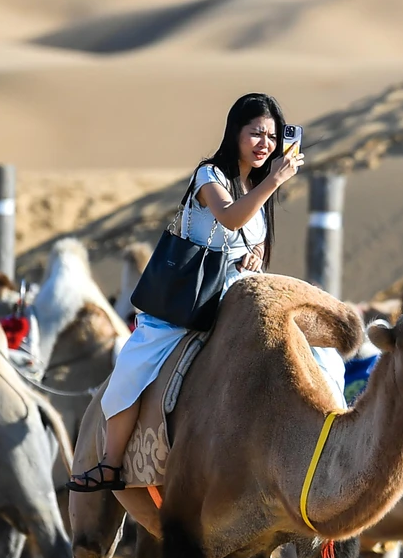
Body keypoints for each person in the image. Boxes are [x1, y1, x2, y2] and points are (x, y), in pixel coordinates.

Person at [68, 93, 303, 491]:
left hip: (236, 293)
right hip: (190, 299)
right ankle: (110, 463)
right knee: (132, 368)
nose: (265, 143)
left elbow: (252, 237)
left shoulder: (255, 185)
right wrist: (276, 180)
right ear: (235, 133)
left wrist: (256, 254)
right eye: (256, 133)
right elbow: (229, 219)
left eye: (273, 136)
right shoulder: (209, 176)